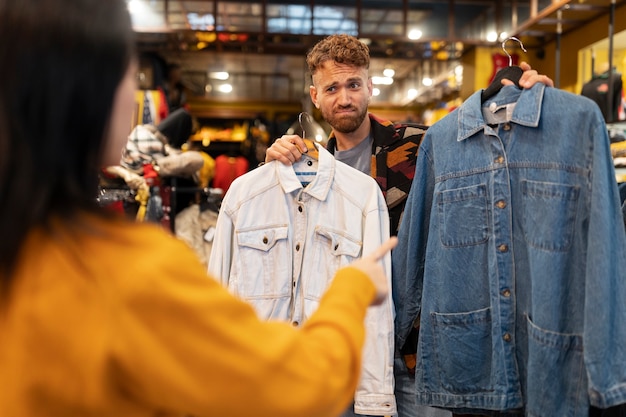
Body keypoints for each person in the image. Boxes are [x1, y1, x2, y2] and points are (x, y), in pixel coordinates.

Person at [0, 2, 399, 417]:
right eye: (127, 74)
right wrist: (353, 289)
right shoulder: (131, 269)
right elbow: (292, 383)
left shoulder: (27, 256)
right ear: (94, 94)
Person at [263, 34, 554, 417]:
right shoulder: (309, 168)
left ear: (369, 85)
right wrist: (273, 173)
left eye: (353, 84)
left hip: (416, 346)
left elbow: (495, 152)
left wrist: (531, 104)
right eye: (332, 88)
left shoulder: (422, 144)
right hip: (346, 347)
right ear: (315, 97)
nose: (345, 98)